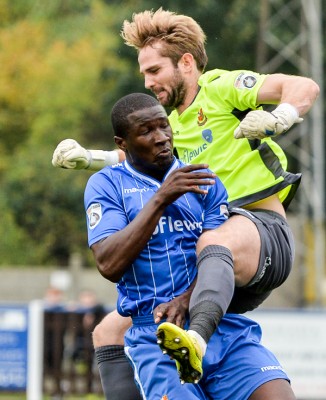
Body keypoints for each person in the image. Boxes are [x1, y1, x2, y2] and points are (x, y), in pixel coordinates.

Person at [51, 7, 319, 395]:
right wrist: (90, 158)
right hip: (216, 263)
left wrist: (281, 116)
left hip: (260, 233)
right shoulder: (168, 124)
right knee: (110, 330)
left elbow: (304, 86)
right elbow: (138, 156)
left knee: (214, 242)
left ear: (187, 62)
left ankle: (196, 338)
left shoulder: (220, 88)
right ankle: (193, 339)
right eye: (144, 73)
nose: (147, 81)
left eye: (155, 70)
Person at [83, 91, 296, 399]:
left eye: (163, 126)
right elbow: (109, 264)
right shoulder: (106, 185)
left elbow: (217, 258)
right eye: (146, 131)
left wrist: (187, 298)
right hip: (157, 336)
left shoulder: (204, 180)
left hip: (221, 325)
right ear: (122, 143)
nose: (161, 138)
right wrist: (161, 198)